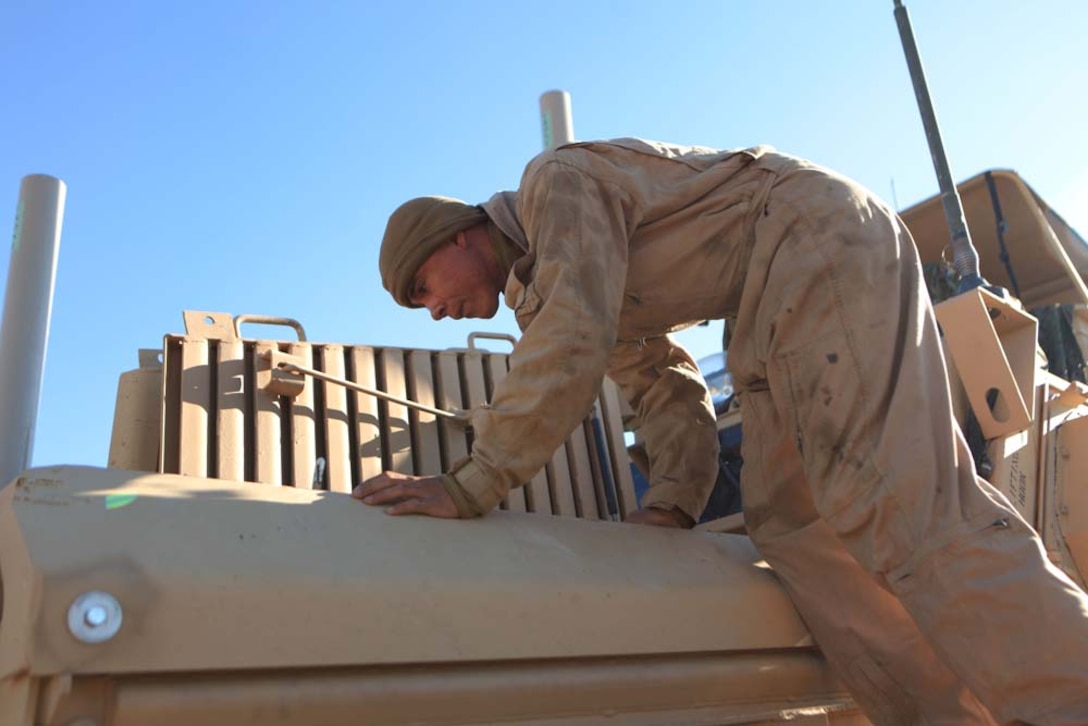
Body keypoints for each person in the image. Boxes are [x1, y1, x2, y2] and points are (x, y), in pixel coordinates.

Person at [355, 138, 1088, 724]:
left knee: (901, 504)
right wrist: (672, 502)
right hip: (767, 305)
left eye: (422, 289)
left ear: (455, 237)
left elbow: (572, 339)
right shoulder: (548, 287)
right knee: (793, 529)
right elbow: (662, 384)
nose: (434, 312)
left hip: (810, 240)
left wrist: (470, 484)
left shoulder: (557, 183)